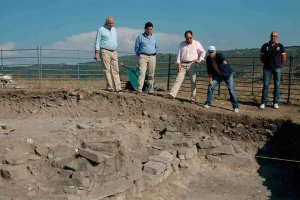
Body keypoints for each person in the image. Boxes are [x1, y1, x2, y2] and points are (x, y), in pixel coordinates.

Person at [167, 30, 205, 102]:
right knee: (178, 79)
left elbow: (203, 52)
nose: (189, 39)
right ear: (185, 38)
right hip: (183, 64)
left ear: (192, 36)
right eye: (187, 38)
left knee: (193, 81)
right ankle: (172, 94)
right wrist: (179, 64)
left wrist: (200, 59)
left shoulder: (197, 43)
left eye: (190, 38)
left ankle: (193, 98)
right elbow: (179, 55)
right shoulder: (181, 44)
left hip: (192, 64)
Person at [203, 46, 239, 112]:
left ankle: (235, 106)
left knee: (231, 90)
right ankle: (208, 103)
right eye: (209, 52)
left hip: (227, 74)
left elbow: (222, 58)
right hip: (218, 75)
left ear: (215, 51)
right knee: (210, 86)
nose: (210, 53)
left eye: (212, 52)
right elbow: (209, 70)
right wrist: (210, 79)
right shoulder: (208, 59)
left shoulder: (219, 55)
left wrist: (223, 61)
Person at [94, 16, 122, 92]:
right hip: (105, 51)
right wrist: (96, 52)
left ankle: (118, 87)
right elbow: (97, 41)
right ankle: (110, 87)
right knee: (107, 69)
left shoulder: (114, 29)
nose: (111, 25)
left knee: (116, 69)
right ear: (106, 22)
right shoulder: (101, 29)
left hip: (114, 51)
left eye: (112, 23)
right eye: (110, 23)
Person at [260, 31, 286, 109]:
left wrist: (279, 64)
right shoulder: (265, 46)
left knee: (277, 85)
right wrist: (267, 63)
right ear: (270, 36)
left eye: (274, 36)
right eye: (272, 36)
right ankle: (263, 102)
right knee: (265, 85)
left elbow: (284, 58)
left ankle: (275, 102)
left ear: (277, 37)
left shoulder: (280, 46)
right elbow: (262, 58)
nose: (273, 37)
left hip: (277, 68)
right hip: (267, 69)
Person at [134, 22, 157, 94]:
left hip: (152, 57)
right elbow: (136, 47)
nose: (149, 31)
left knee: (151, 74)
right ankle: (139, 89)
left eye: (150, 29)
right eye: (148, 29)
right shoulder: (140, 37)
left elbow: (156, 47)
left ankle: (151, 90)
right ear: (145, 29)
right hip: (143, 56)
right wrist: (139, 54)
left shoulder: (154, 38)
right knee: (142, 73)